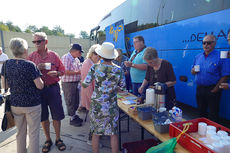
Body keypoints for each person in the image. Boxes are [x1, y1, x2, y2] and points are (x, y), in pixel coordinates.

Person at [1, 38, 44, 153]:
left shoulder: (6, 64)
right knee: (33, 134)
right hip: (32, 105)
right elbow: (39, 86)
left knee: (20, 133)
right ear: (24, 49)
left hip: (15, 104)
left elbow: (4, 85)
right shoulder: (30, 65)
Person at [82, 42, 125, 153]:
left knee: (96, 133)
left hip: (97, 105)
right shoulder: (119, 70)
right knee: (113, 133)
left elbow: (85, 84)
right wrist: (112, 87)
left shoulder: (94, 68)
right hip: (111, 105)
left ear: (101, 55)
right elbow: (122, 88)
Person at [28, 32, 66, 153]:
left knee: (57, 115)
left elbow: (63, 70)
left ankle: (58, 138)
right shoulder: (31, 57)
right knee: (43, 117)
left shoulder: (54, 55)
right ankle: (48, 139)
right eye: (34, 42)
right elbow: (28, 75)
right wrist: (36, 68)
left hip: (53, 88)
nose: (36, 44)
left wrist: (57, 73)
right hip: (39, 91)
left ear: (46, 42)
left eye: (39, 41)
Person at [191, 35, 230, 122]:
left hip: (213, 88)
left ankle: (213, 132)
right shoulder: (198, 56)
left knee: (213, 114)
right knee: (201, 112)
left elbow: (226, 75)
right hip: (200, 89)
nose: (206, 45)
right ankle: (201, 131)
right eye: (204, 43)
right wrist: (193, 71)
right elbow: (192, 71)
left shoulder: (221, 56)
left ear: (214, 43)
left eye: (209, 43)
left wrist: (215, 89)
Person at [80, 44, 100, 144]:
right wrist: (93, 100)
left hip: (92, 95)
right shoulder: (88, 64)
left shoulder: (92, 63)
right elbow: (87, 85)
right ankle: (91, 139)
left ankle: (94, 137)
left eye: (100, 54)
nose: (98, 56)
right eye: (96, 54)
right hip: (91, 96)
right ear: (91, 54)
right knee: (94, 120)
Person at [61, 44, 83, 127]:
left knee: (76, 100)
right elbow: (65, 71)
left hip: (75, 82)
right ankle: (72, 118)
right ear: (76, 51)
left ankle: (74, 115)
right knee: (70, 100)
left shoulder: (75, 59)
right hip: (68, 83)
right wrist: (78, 72)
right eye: (80, 52)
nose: (80, 54)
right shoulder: (66, 57)